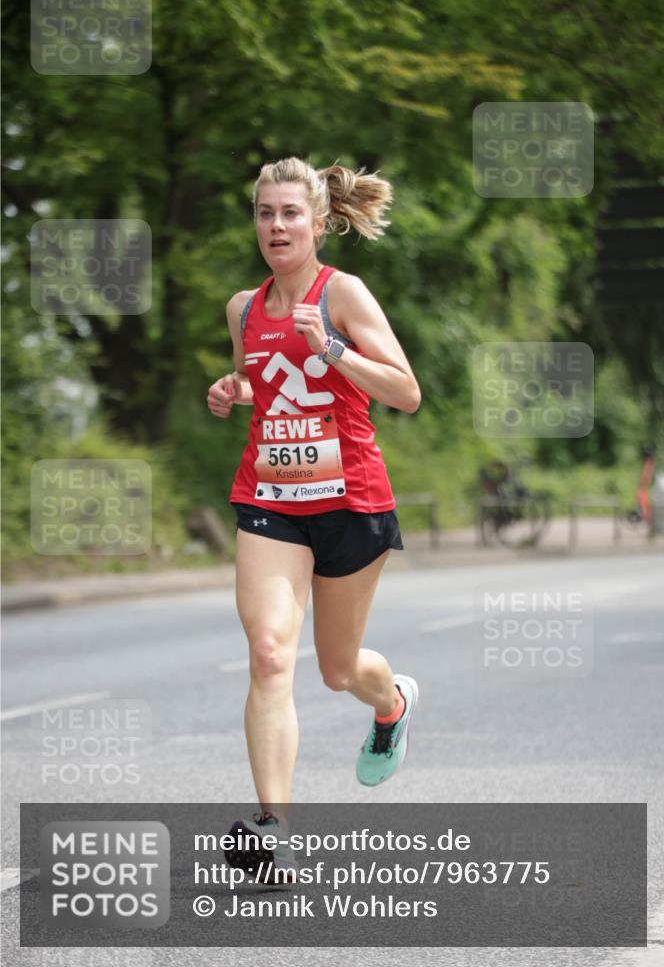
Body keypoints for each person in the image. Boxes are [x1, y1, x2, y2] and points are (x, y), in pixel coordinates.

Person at [206, 156, 421, 880]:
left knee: (335, 670)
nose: (276, 226)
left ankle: (390, 704)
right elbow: (260, 381)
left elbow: (405, 390)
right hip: (269, 499)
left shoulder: (344, 294)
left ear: (319, 223)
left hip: (351, 501)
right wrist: (232, 389)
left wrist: (332, 347)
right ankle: (274, 832)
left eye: (289, 214)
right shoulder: (243, 307)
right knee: (269, 653)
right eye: (265, 214)